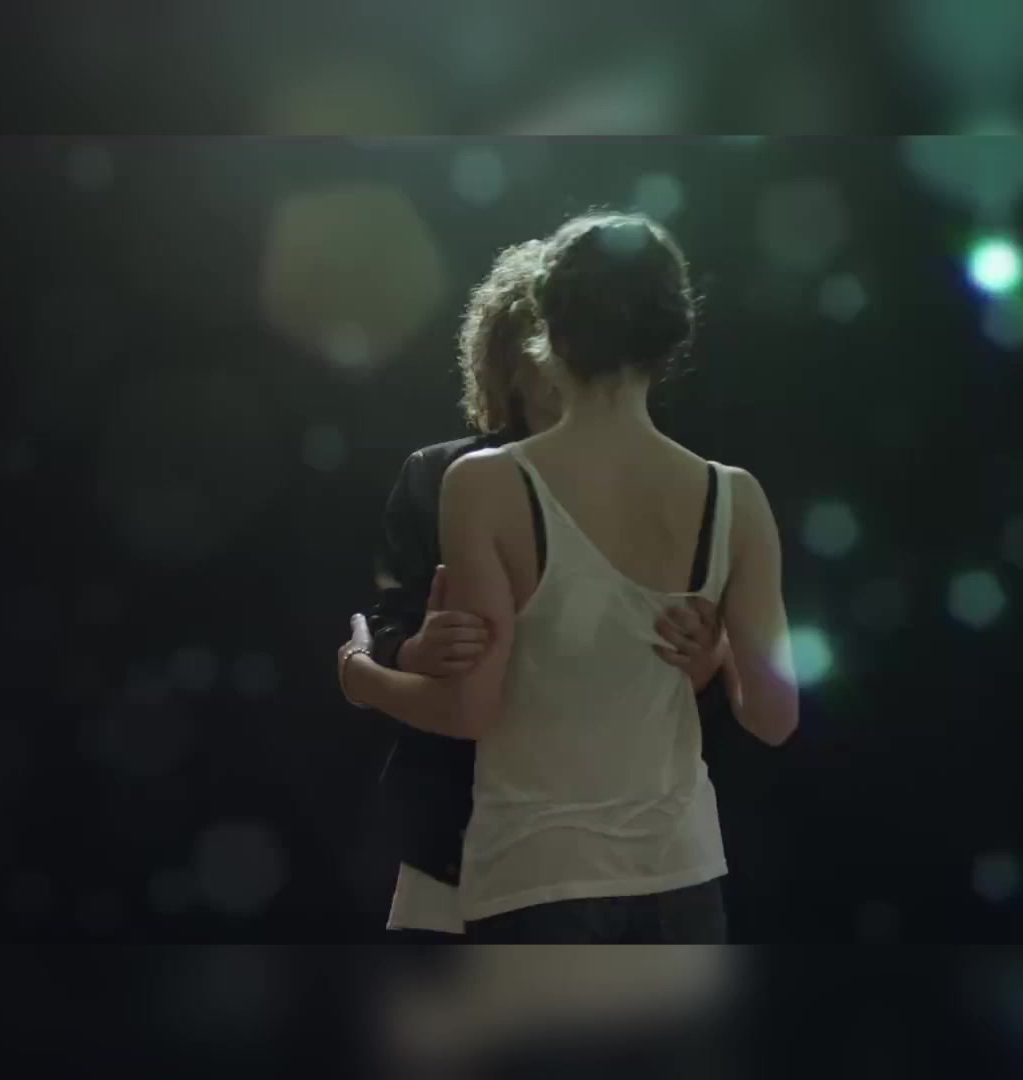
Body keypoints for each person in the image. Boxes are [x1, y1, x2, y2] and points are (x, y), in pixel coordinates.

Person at [338, 212, 798, 943]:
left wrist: (359, 674)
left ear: (546, 331)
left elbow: (470, 712)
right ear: (672, 335)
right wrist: (718, 657)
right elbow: (775, 719)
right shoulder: (736, 495)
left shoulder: (484, 483)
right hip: (684, 877)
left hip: (536, 879)